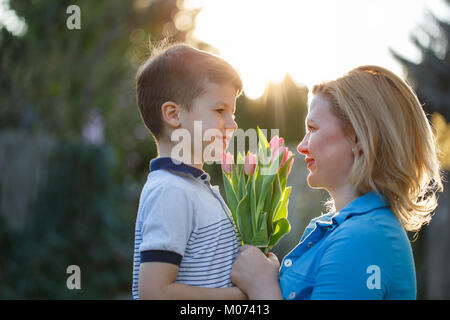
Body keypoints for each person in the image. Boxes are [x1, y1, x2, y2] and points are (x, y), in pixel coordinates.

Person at [230, 65, 444, 300]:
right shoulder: (340, 229)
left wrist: (262, 287)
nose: (301, 146)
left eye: (312, 128)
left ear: (358, 137)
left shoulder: (363, 238)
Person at [132, 43, 246, 299]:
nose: (233, 124)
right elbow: (154, 292)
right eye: (220, 110)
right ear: (173, 115)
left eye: (233, 112)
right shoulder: (170, 191)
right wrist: (242, 297)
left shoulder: (192, 187)